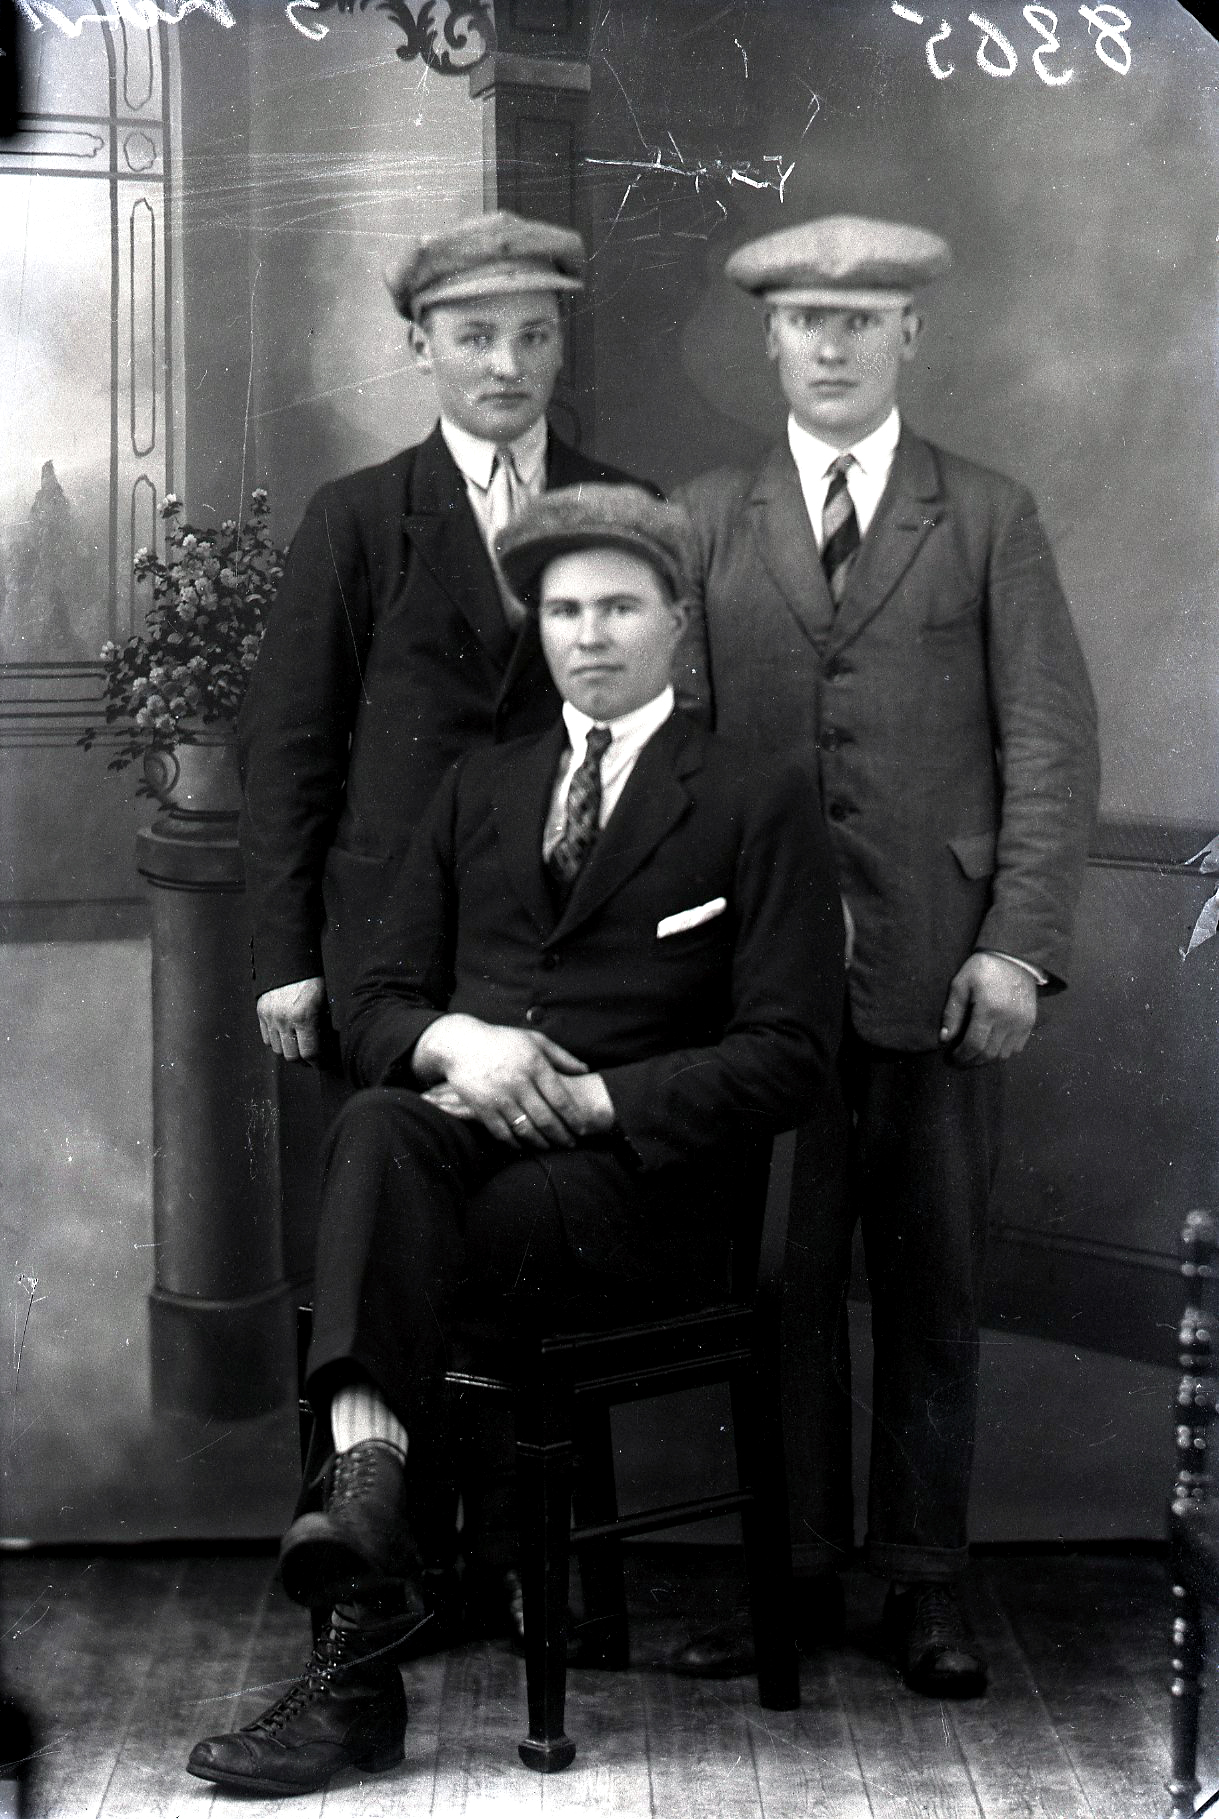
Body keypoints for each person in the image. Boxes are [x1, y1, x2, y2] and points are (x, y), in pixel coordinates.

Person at [187, 484, 845, 1795]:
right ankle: (374, 1501)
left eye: (619, 607)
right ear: (535, 628)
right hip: (475, 1172)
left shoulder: (754, 794)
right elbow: (376, 997)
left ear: (677, 624)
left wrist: (600, 1102)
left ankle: (357, 1634)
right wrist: (457, 1046)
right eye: (561, 610)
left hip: (642, 1197)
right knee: (382, 1119)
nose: (587, 635)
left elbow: (791, 1053)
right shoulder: (479, 785)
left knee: (396, 1230)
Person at [671, 215, 1100, 1696]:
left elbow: (1049, 744)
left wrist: (1017, 951)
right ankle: (789, 1576)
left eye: (863, 320)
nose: (834, 345)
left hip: (942, 971)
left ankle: (922, 1583)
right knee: (777, 1285)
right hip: (761, 989)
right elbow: (674, 763)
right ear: (768, 341)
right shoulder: (704, 519)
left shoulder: (983, 514)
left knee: (931, 1283)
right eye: (807, 319)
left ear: (912, 335)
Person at [238, 208, 651, 1074]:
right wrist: (286, 957)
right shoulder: (356, 518)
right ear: (420, 347)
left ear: (561, 345)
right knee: (393, 1157)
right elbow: (288, 750)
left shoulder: (628, 509)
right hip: (394, 942)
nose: (508, 365)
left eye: (534, 335)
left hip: (583, 932)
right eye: (475, 337)